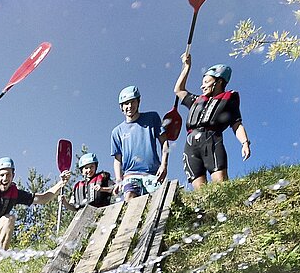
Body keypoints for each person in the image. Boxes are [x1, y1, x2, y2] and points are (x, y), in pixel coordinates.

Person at [173, 53, 251, 187]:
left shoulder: (229, 99)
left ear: (219, 81)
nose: (202, 86)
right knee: (200, 191)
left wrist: (245, 143)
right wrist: (187, 67)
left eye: (206, 82)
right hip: (191, 145)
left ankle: (227, 206)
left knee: (221, 184)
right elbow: (178, 90)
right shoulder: (196, 101)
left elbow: (236, 124)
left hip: (212, 141)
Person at [108, 85, 168, 200]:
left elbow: (164, 142)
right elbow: (117, 160)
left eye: (132, 102)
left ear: (138, 102)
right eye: (126, 103)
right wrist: (119, 180)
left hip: (153, 174)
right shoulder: (117, 132)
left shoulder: (152, 117)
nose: (129, 106)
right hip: (130, 174)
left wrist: (164, 164)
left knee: (156, 205)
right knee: (129, 199)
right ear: (121, 107)